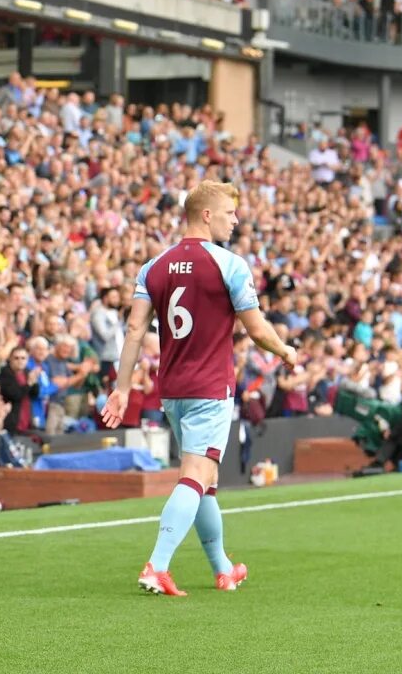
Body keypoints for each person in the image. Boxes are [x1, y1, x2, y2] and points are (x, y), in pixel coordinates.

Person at [104, 181, 297, 597]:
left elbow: (135, 329)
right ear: (206, 215)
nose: (236, 220)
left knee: (206, 479)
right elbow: (256, 329)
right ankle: (157, 566)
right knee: (195, 475)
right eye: (229, 212)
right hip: (210, 387)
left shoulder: (153, 266)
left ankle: (223, 568)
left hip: (173, 388)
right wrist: (286, 351)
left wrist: (122, 387)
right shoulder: (229, 264)